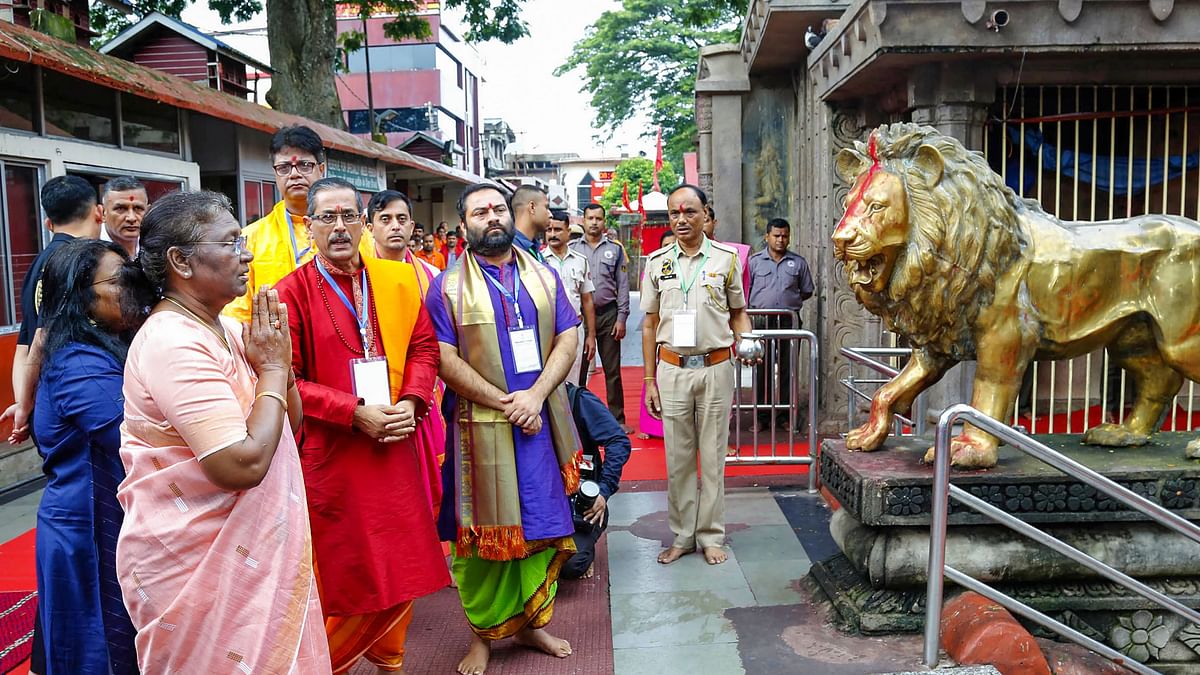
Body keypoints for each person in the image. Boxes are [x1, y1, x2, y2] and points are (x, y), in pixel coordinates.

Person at [116, 190, 330, 673]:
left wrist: (282, 368)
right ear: (181, 261)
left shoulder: (224, 330)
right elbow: (241, 464)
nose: (247, 253)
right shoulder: (173, 341)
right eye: (231, 242)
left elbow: (283, 429)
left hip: (246, 554)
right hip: (195, 564)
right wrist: (274, 371)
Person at [274, 178, 450, 674]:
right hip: (335, 456)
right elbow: (289, 380)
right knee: (344, 571)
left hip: (396, 440)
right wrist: (353, 413)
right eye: (326, 217)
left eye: (348, 215)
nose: (339, 227)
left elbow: (423, 348)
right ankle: (334, 664)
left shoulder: (396, 282)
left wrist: (413, 401)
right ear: (309, 228)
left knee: (400, 561)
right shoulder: (291, 293)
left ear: (364, 223)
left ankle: (391, 662)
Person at [427, 183, 581, 675]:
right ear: (464, 225)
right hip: (479, 430)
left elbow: (568, 334)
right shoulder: (446, 287)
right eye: (480, 212)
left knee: (539, 524)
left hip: (538, 422)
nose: (491, 217)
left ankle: (532, 622)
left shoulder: (545, 274)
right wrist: (504, 402)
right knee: (482, 540)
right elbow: (443, 359)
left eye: (497, 208)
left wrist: (534, 397)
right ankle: (483, 637)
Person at [31, 239, 146, 675]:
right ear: (81, 296)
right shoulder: (80, 362)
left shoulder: (108, 345)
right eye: (119, 282)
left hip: (103, 518)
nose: (131, 289)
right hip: (87, 528)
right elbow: (133, 435)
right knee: (96, 648)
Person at [642, 184, 753, 567]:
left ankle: (711, 535)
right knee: (678, 459)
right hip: (672, 369)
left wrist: (748, 342)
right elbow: (649, 323)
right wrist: (648, 381)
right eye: (674, 213)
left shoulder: (726, 259)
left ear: (705, 214)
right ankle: (683, 535)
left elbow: (738, 311)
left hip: (716, 367)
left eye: (689, 211)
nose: (681, 220)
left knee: (713, 457)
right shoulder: (656, 262)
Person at [225, 124, 372, 323]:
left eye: (304, 165)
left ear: (321, 169)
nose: (294, 174)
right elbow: (237, 313)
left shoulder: (356, 232)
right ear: (275, 174)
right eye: (284, 168)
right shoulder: (251, 238)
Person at [365, 189, 448, 511]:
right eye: (385, 219)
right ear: (370, 227)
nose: (394, 226)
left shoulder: (432, 277)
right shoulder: (358, 276)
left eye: (401, 219)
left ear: (413, 226)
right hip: (375, 392)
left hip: (425, 394)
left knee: (428, 484)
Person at [4, 175, 102, 446]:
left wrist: (25, 404)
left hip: (49, 405)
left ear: (48, 223)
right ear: (99, 213)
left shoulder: (39, 263)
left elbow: (23, 347)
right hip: (84, 398)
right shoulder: (89, 261)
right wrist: (24, 407)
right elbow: (41, 336)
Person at [746, 218, 814, 431]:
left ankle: (785, 417)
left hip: (788, 321)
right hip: (761, 322)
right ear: (767, 237)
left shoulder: (798, 263)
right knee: (761, 369)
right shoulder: (754, 262)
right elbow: (745, 290)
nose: (780, 240)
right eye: (776, 236)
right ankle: (762, 417)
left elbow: (806, 290)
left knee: (787, 369)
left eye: (785, 236)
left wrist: (787, 303)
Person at [560, 381, 631, 580]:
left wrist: (603, 490)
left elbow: (618, 441)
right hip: (535, 505)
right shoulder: (518, 399)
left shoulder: (577, 399)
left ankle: (585, 543)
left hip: (578, 501)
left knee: (570, 565)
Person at [571, 202, 631, 432]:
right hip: (580, 318)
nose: (594, 222)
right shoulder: (573, 249)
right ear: (583, 221)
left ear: (604, 222)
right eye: (590, 218)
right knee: (579, 369)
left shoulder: (615, 250)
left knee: (612, 369)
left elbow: (623, 285)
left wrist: (622, 318)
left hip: (608, 314)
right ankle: (577, 418)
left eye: (598, 218)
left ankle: (617, 419)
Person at [543, 211, 596, 387]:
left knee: (573, 383)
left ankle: (571, 415)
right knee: (548, 382)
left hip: (574, 329)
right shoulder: (536, 260)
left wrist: (591, 336)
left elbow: (587, 300)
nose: (552, 234)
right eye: (549, 229)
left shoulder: (580, 260)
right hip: (547, 331)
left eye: (558, 229)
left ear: (568, 231)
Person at [636, 230, 677, 440]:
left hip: (677, 331)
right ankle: (650, 424)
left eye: (673, 244)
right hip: (658, 325)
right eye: (666, 244)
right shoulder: (654, 267)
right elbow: (648, 304)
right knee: (652, 373)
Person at [703, 204, 750, 302]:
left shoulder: (733, 253)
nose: (702, 226)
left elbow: (744, 288)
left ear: (714, 223)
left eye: (706, 221)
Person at [99, 176, 147, 257]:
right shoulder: (90, 251)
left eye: (138, 208)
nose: (131, 218)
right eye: (121, 208)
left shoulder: (154, 246)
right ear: (103, 213)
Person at [511, 184, 550, 261]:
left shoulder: (535, 248)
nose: (550, 214)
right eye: (546, 207)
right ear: (532, 207)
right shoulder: (510, 250)